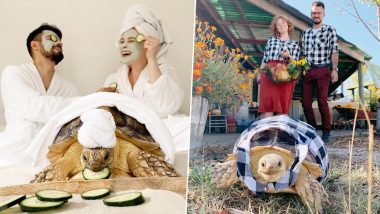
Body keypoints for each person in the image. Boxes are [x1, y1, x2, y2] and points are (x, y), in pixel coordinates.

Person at [0, 23, 79, 166]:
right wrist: (86, 101)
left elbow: (73, 126)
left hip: (51, 162)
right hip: (11, 158)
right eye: (53, 38)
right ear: (35, 46)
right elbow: (34, 107)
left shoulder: (69, 88)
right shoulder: (13, 73)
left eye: (60, 40)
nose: (59, 42)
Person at [100, 4, 184, 118]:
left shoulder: (165, 72)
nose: (124, 45)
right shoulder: (114, 79)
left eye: (131, 40)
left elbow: (164, 108)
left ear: (147, 43)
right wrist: (99, 99)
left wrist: (151, 58)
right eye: (121, 41)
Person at [300, 1, 339, 143]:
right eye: (314, 13)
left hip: (323, 69)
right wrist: (301, 68)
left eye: (318, 13)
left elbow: (334, 50)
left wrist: (334, 69)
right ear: (311, 14)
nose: (316, 15)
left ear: (323, 14)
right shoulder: (305, 33)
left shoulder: (330, 30)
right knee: (305, 103)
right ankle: (312, 130)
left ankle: (326, 132)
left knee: (322, 101)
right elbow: (303, 54)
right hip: (308, 71)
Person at [257, 15, 300, 119]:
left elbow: (295, 64)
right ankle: (266, 134)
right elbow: (265, 58)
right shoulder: (271, 40)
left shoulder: (295, 44)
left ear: (288, 25)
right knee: (267, 107)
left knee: (282, 107)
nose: (281, 26)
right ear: (275, 27)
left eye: (283, 23)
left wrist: (288, 57)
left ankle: (280, 134)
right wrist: (259, 73)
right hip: (269, 73)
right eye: (278, 24)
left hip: (286, 74)